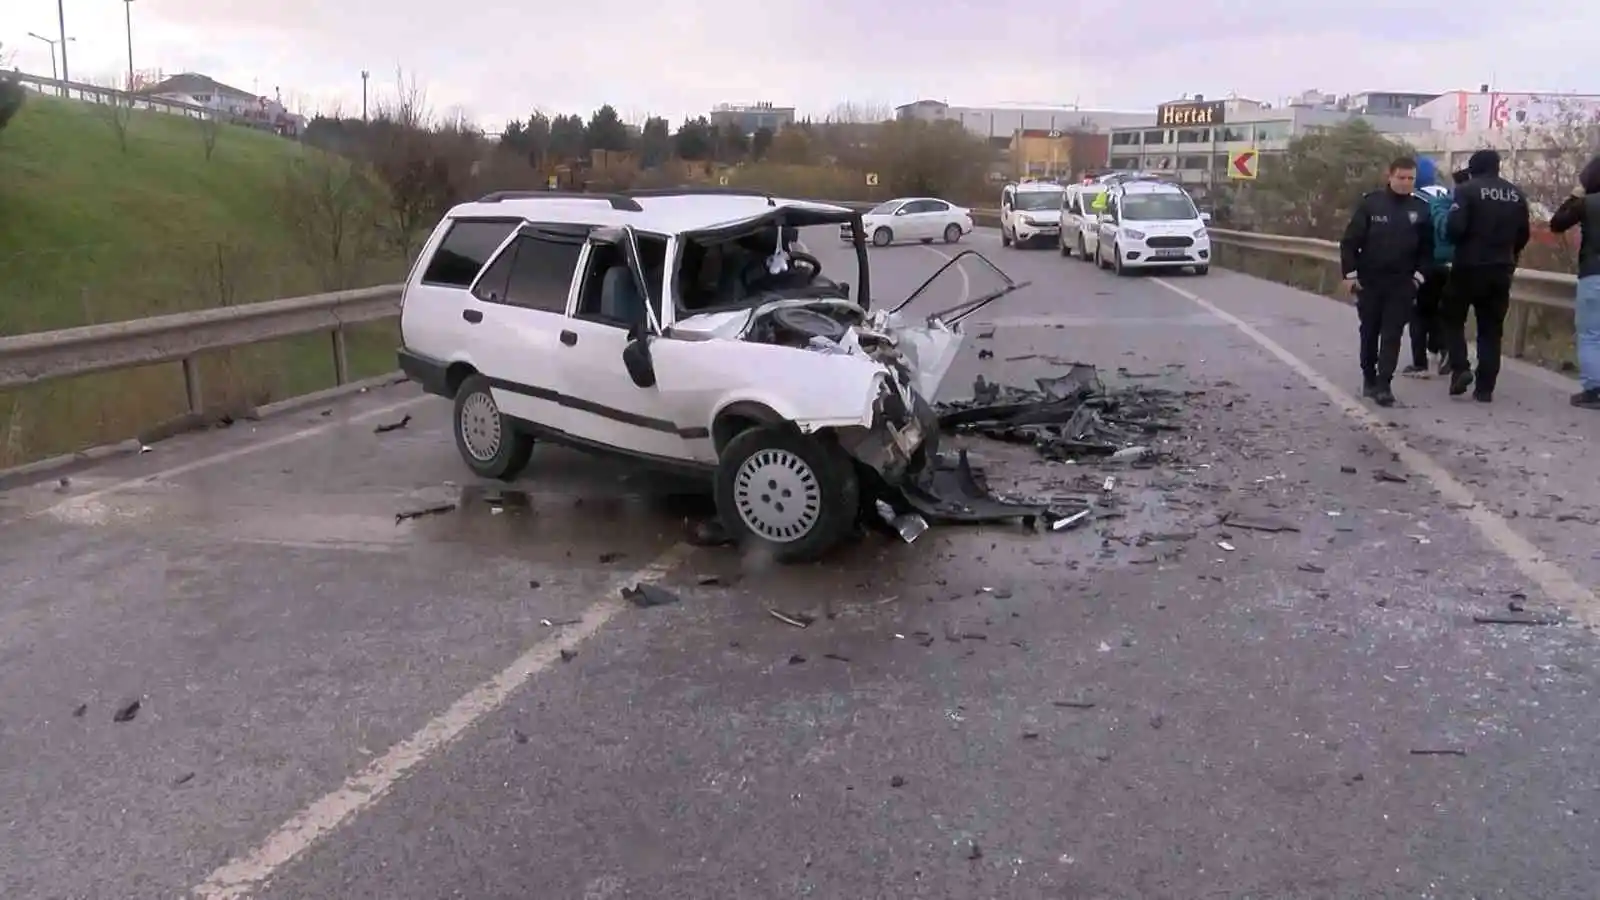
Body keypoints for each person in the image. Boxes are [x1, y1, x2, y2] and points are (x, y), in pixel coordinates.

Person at [1339, 156, 1435, 407]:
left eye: (1410, 178)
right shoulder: (1371, 204)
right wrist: (1349, 275)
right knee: (1369, 332)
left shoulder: (1422, 209)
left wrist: (1418, 278)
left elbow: (1428, 251)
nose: (1405, 183)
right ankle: (1369, 378)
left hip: (1402, 284)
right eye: (1401, 177)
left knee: (1392, 334)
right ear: (1390, 177)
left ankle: (1384, 385)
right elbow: (1350, 242)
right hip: (1370, 282)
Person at [1442, 149, 1531, 402]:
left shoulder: (1467, 190)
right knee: (1491, 329)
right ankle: (1485, 388)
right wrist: (1509, 255)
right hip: (1501, 268)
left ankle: (1460, 368)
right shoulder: (1516, 195)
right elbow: (1523, 234)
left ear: (1473, 167)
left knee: (1452, 317)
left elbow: (1455, 228)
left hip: (1468, 266)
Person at [1549, 153, 1600, 409]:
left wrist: (1576, 194)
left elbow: (1557, 223)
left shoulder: (1587, 204)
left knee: (1591, 334)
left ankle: (1594, 390)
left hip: (1594, 275)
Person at [1403, 157, 1452, 377]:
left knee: (1419, 312)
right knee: (1441, 311)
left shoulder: (1414, 199)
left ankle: (1419, 362)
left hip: (1426, 263)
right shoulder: (1447, 194)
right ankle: (1444, 350)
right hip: (1452, 263)